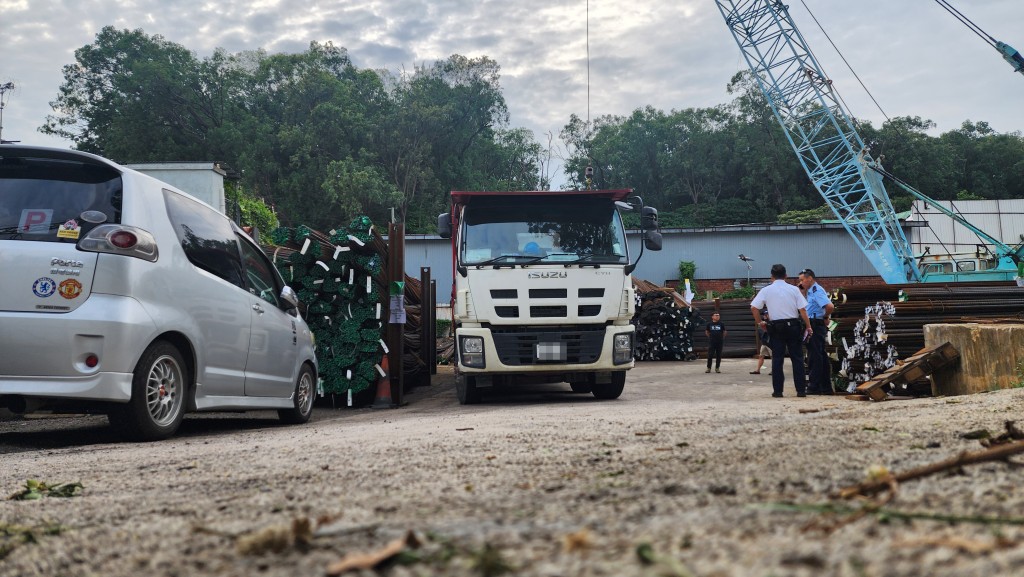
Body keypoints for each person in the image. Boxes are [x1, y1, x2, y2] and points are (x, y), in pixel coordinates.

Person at [750, 264, 813, 398]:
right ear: (786, 275)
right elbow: (802, 310)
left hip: (776, 327)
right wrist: (808, 326)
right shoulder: (794, 290)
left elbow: (754, 308)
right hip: (793, 326)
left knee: (777, 359)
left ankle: (778, 391)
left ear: (771, 276)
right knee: (797, 358)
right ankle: (801, 391)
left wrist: (760, 322)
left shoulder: (766, 290)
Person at [798, 268, 835, 395]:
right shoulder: (809, 291)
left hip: (815, 324)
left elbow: (829, 306)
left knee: (815, 356)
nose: (801, 283)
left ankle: (814, 386)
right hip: (813, 323)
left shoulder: (817, 290)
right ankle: (825, 386)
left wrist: (825, 317)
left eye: (802, 280)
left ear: (810, 279)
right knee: (820, 356)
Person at [750, 309, 771, 375]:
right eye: (764, 315)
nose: (765, 316)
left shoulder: (771, 322)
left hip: (771, 343)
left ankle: (774, 370)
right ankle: (758, 370)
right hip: (764, 342)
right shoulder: (764, 322)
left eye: (766, 315)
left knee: (773, 357)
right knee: (761, 356)